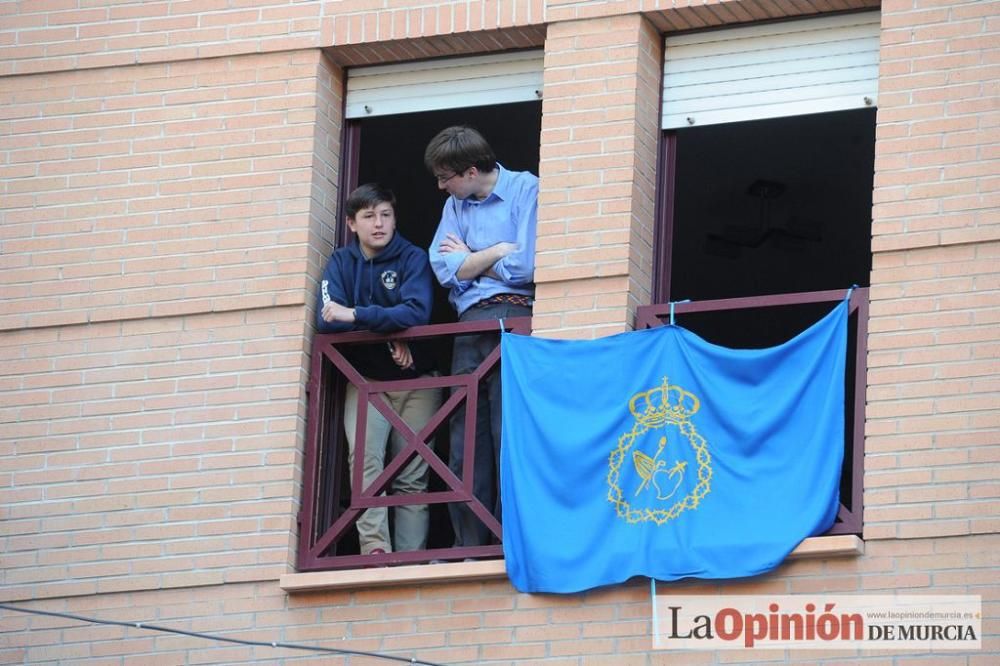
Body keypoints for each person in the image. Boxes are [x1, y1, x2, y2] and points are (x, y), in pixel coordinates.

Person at [425, 126, 538, 548]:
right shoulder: (456, 203)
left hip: (516, 317)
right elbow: (441, 266)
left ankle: (511, 540)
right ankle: (470, 545)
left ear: (471, 172)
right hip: (470, 321)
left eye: (445, 177)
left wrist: (468, 260)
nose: (440, 187)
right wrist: (494, 252)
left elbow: (526, 267)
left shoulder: (526, 189)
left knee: (508, 428)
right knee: (465, 433)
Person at [316, 183, 441, 556]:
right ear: (352, 223)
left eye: (386, 214)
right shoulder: (341, 262)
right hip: (365, 381)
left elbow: (416, 311)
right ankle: (376, 552)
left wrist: (358, 315)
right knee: (365, 466)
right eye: (369, 216)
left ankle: (408, 560)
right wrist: (389, 331)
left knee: (412, 476)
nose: (379, 223)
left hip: (420, 380)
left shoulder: (413, 257)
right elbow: (327, 320)